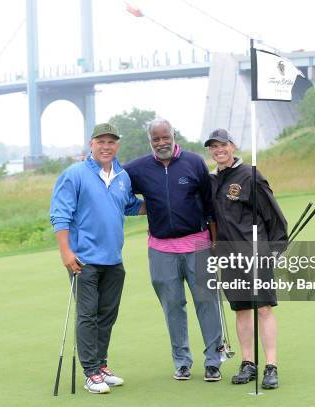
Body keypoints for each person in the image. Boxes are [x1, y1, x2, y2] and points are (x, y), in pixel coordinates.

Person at [124, 118, 223, 382]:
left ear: (173, 135)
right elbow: (115, 188)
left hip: (198, 243)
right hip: (161, 249)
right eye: (155, 139)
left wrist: (214, 242)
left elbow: (209, 204)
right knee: (173, 306)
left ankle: (214, 360)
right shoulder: (138, 169)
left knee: (207, 301)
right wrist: (139, 208)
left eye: (165, 137)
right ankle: (182, 361)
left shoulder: (194, 162)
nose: (161, 143)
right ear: (150, 141)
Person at [50, 123, 145, 394]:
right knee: (88, 315)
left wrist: (170, 203)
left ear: (117, 146)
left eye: (111, 142)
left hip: (113, 259)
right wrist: (66, 252)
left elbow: (130, 205)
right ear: (91, 144)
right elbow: (60, 214)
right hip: (84, 259)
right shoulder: (75, 174)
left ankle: (101, 365)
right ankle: (91, 372)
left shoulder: (122, 176)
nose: (106, 146)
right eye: (101, 141)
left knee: (106, 315)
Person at [205, 128, 288, 390]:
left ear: (233, 145)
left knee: (263, 308)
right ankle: (248, 363)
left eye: (223, 145)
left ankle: (271, 366)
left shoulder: (250, 176)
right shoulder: (212, 181)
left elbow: (273, 216)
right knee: (241, 310)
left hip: (254, 253)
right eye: (214, 146)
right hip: (229, 256)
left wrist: (273, 250)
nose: (219, 150)